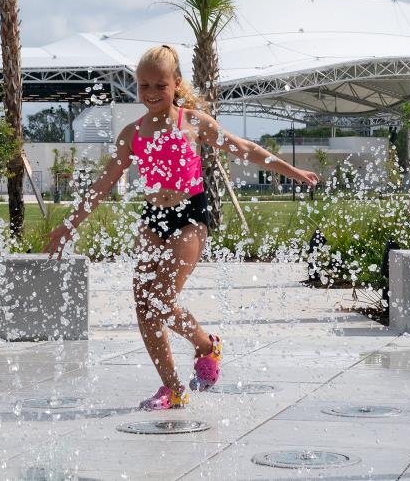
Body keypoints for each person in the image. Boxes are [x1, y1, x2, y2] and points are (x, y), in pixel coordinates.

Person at [45, 45, 319, 410]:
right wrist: (69, 226)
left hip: (190, 215)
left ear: (176, 83)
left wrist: (291, 171)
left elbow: (243, 148)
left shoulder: (193, 122)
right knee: (144, 303)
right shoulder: (132, 133)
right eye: (144, 85)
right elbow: (102, 185)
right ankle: (172, 387)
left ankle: (206, 345)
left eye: (160, 85)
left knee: (161, 297)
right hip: (153, 218)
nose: (151, 93)